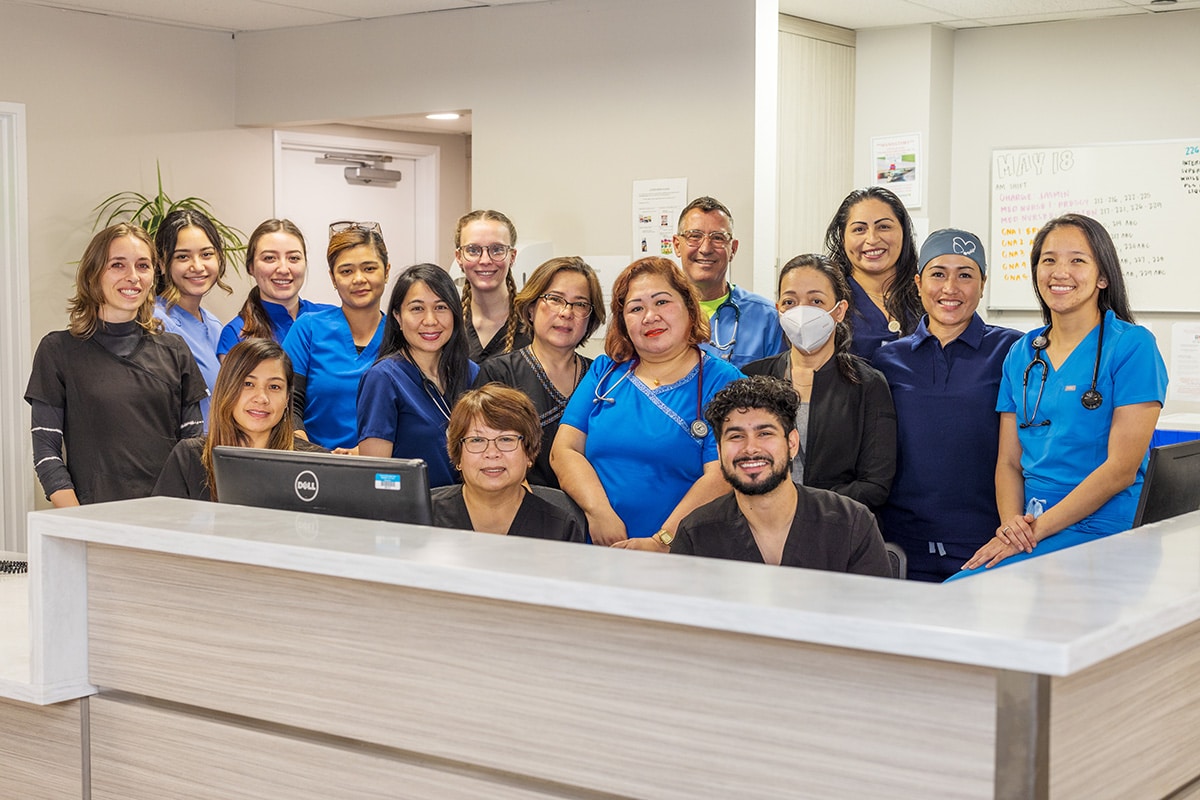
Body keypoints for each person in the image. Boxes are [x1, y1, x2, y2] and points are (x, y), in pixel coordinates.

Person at [955, 214, 1168, 578]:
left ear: (1103, 276)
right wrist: (1011, 528)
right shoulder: (1022, 353)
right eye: (1049, 260)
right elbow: (1009, 462)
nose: (1060, 272)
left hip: (1103, 528)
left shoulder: (1132, 347)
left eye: (1077, 260)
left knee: (965, 592)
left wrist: (1030, 534)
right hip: (1031, 528)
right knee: (963, 592)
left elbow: (1121, 470)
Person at [552, 257, 743, 546]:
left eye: (662, 302)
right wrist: (600, 513)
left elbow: (721, 475)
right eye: (636, 308)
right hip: (600, 545)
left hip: (685, 549)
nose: (650, 316)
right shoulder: (605, 373)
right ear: (623, 322)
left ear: (690, 308)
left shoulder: (723, 381)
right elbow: (564, 451)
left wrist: (663, 541)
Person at [871, 229, 1023, 581]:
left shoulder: (1012, 351)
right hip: (901, 544)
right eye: (938, 274)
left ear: (983, 284)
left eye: (965, 275)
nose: (950, 288)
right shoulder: (887, 359)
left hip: (988, 544)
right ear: (918, 283)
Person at [25, 223, 206, 506]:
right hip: (93, 517)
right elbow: (46, 452)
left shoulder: (175, 350)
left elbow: (194, 449)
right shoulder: (58, 351)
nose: (133, 276)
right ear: (93, 274)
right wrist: (79, 520)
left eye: (143, 265)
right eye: (117, 265)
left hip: (168, 517)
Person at [663, 376, 891, 576]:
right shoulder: (696, 534)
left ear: (792, 443)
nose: (750, 448)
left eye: (765, 433)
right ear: (720, 451)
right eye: (736, 436)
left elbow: (874, 610)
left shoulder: (851, 523)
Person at [743, 254, 896, 511]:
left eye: (816, 301)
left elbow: (875, 485)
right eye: (790, 302)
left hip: (839, 523)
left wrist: (802, 508)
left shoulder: (868, 385)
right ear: (778, 309)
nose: (802, 311)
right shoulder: (752, 378)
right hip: (760, 521)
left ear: (840, 311)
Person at [473, 256, 606, 488]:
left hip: (593, 503)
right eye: (555, 299)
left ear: (590, 319)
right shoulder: (499, 374)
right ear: (531, 309)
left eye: (580, 304)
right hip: (520, 503)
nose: (566, 312)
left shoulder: (602, 378)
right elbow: (484, 454)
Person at [154, 339, 326, 501]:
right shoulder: (189, 457)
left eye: (274, 387)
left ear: (287, 397)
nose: (262, 398)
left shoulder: (315, 463)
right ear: (226, 389)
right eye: (248, 384)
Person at [357, 263, 480, 487]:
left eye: (441, 307)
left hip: (468, 504)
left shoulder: (471, 373)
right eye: (417, 309)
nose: (430, 320)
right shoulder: (383, 379)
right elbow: (376, 477)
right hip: (413, 506)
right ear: (397, 317)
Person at [282, 221, 390, 450]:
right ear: (333, 278)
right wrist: (310, 452)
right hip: (313, 464)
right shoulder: (308, 329)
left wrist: (365, 453)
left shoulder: (400, 334)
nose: (358, 279)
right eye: (346, 271)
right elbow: (287, 402)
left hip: (383, 463)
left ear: (387, 271)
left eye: (369, 268)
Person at [431, 384, 585, 542]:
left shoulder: (561, 528)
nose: (492, 453)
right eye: (477, 440)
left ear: (529, 453)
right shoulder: (423, 517)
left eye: (506, 439)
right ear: (458, 456)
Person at [672, 196, 784, 367]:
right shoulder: (656, 314)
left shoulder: (767, 319)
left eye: (718, 237)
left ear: (733, 249)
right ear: (677, 245)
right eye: (694, 236)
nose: (705, 248)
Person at [824, 186, 923, 360]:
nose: (872, 239)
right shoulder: (826, 301)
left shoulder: (928, 295)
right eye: (859, 229)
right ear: (842, 236)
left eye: (884, 227)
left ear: (904, 231)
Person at [153, 208, 231, 426]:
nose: (197, 266)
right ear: (162, 263)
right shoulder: (156, 323)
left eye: (206, 254)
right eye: (183, 257)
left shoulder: (214, 325)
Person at [217, 218, 331, 357]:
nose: (283, 269)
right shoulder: (236, 334)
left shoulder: (330, 319)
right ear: (251, 267)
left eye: (293, 258)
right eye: (269, 258)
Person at [454, 209, 531, 363]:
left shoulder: (533, 322)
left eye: (497, 250)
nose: (485, 260)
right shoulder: (448, 323)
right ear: (459, 257)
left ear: (512, 256)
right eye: (473, 250)